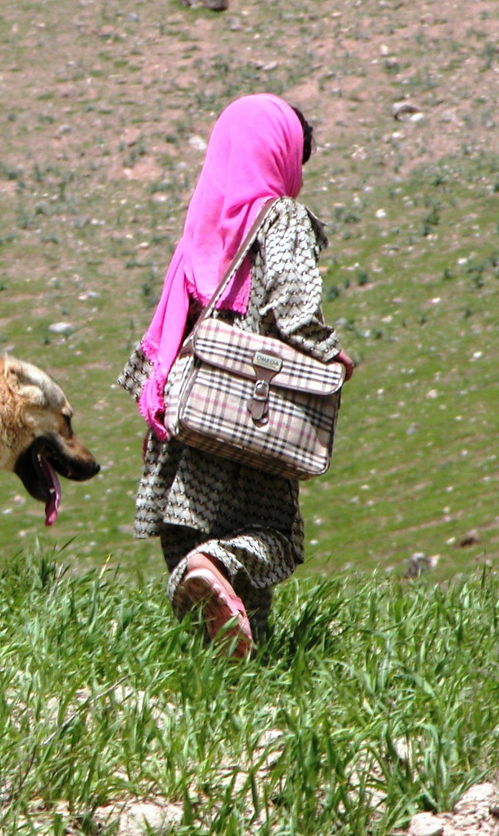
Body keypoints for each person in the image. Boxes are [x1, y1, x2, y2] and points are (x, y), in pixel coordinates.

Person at [117, 93, 354, 658]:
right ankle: (219, 574)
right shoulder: (283, 218)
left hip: (184, 423)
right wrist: (333, 355)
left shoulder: (200, 226)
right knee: (272, 541)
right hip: (250, 410)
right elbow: (293, 309)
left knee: (192, 569)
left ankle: (216, 694)